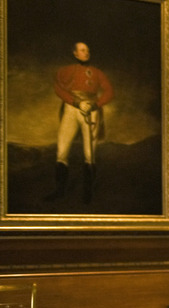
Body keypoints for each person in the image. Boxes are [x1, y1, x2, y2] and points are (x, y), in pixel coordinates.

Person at [50, 42, 114, 203]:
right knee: (62, 150)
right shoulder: (66, 71)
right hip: (71, 108)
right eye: (83, 50)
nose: (86, 53)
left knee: (89, 153)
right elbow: (58, 88)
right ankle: (59, 191)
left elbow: (109, 91)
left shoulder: (97, 73)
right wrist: (75, 102)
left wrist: (96, 104)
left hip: (90, 110)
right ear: (75, 53)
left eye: (88, 50)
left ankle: (88, 194)